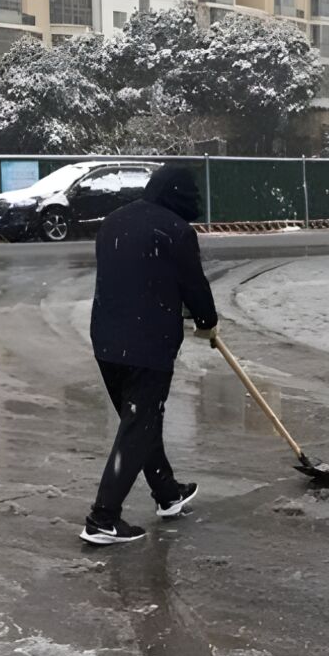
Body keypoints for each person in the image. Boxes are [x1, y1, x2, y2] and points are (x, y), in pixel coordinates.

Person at [81, 165, 218, 545]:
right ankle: (103, 518)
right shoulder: (175, 231)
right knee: (138, 425)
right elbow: (193, 283)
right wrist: (207, 320)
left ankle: (168, 494)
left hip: (106, 340)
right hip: (148, 344)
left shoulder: (113, 221)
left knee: (138, 421)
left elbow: (134, 274)